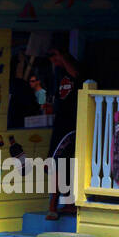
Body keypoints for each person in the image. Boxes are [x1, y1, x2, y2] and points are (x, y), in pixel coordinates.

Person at [45, 43, 82, 221]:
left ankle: (62, 203)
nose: (52, 59)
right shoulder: (57, 73)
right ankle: (57, 203)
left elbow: (76, 75)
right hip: (60, 122)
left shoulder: (74, 68)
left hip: (72, 122)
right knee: (57, 162)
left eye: (54, 55)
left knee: (66, 161)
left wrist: (63, 57)